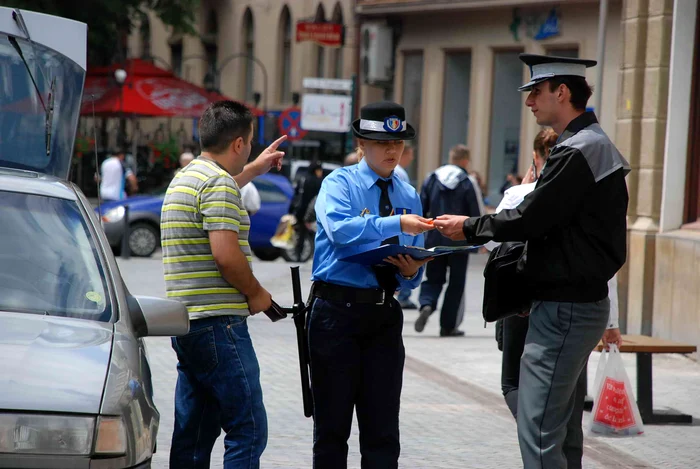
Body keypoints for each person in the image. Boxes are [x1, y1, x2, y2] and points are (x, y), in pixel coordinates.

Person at [433, 54, 627, 468]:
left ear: (562, 92)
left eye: (536, 92)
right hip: (575, 305)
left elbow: (531, 216)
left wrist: (469, 226)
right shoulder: (589, 144)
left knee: (538, 429)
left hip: (565, 310)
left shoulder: (578, 149)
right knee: (563, 431)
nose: (529, 102)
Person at [161, 100, 286, 469]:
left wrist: (254, 168)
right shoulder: (217, 185)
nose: (249, 147)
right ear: (237, 143)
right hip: (220, 325)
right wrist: (257, 294)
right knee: (247, 428)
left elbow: (220, 190)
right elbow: (227, 257)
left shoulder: (187, 178)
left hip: (188, 323)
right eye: (248, 142)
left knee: (194, 433)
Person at [309, 101, 434, 468]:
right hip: (336, 313)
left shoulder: (408, 194)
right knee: (332, 429)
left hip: (382, 313)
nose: (392, 150)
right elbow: (341, 233)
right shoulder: (340, 183)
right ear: (362, 142)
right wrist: (395, 225)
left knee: (382, 431)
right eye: (382, 142)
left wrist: (411, 272)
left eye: (398, 143)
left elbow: (418, 263)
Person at [414, 144, 481, 337]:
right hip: (461, 239)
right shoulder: (468, 181)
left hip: (434, 237)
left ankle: (426, 304)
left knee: (433, 277)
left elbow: (421, 208)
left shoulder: (432, 178)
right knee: (456, 283)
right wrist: (480, 238)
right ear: (465, 160)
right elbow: (475, 212)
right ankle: (448, 325)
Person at [289, 161, 324, 261]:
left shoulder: (302, 179)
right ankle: (315, 255)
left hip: (300, 212)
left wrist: (292, 210)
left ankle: (298, 254)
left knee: (301, 235)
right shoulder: (319, 182)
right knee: (315, 235)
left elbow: (296, 195)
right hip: (313, 213)